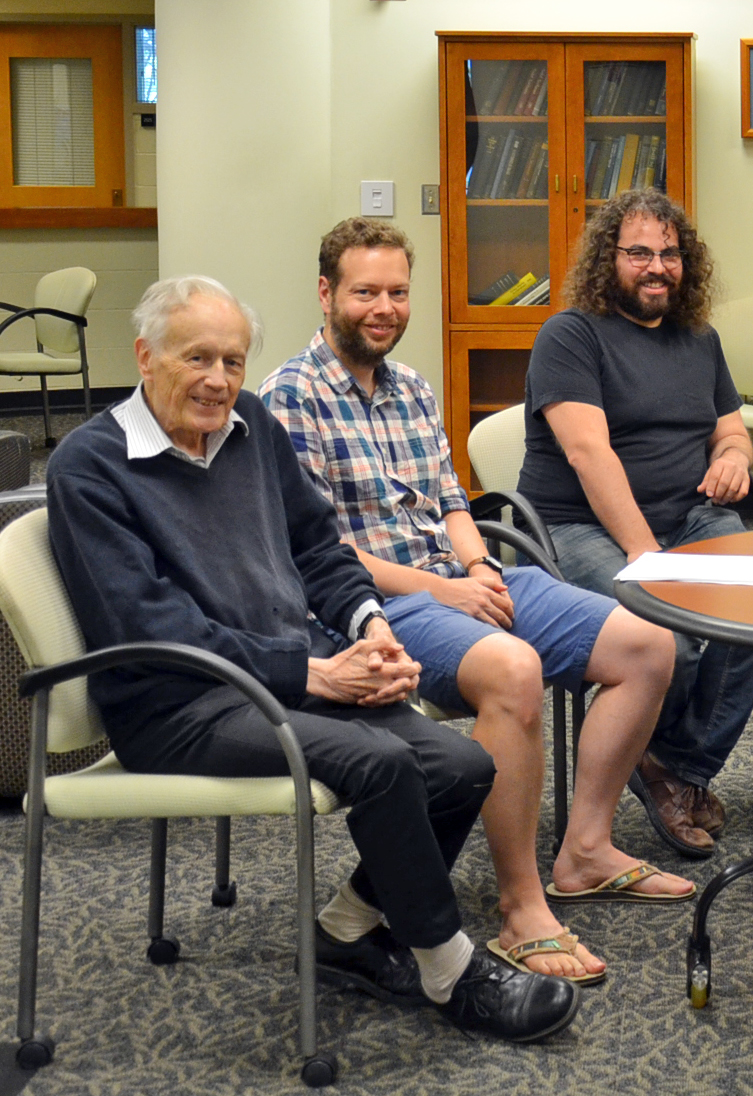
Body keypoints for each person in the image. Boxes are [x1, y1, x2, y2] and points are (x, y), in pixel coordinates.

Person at [46, 275, 579, 1042]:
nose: (218, 381)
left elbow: (318, 547)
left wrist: (369, 626)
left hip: (285, 676)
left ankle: (346, 929)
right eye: (197, 358)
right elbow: (150, 624)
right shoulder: (90, 465)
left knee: (461, 767)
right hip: (178, 704)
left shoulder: (251, 427)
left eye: (233, 361)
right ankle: (451, 970)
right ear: (144, 356)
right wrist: (313, 673)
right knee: (382, 762)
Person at [261, 219, 692, 988]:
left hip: (457, 576)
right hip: (371, 605)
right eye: (365, 292)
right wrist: (447, 588)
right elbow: (319, 552)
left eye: (396, 292)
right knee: (513, 670)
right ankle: (521, 905)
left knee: (648, 643)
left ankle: (585, 850)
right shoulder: (290, 395)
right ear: (327, 294)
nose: (383, 308)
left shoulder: (412, 387)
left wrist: (476, 565)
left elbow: (453, 498)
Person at [518, 188, 753, 859]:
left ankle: (670, 767)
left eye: (668, 253)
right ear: (610, 260)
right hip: (576, 528)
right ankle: (664, 770)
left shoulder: (700, 340)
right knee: (672, 633)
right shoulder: (570, 335)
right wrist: (644, 555)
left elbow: (733, 432)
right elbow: (587, 453)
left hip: (687, 516)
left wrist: (731, 457)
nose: (656, 266)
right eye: (638, 253)